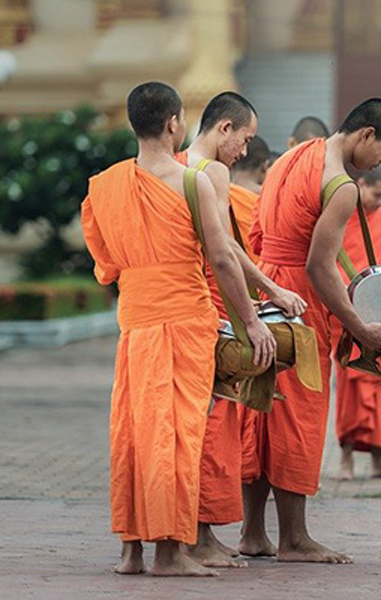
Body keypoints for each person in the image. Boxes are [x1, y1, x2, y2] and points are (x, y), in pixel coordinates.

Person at [81, 81, 275, 577]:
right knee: (176, 435)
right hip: (186, 320)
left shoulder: (103, 186)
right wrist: (251, 322)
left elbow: (105, 265)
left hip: (135, 323)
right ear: (174, 124)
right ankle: (169, 551)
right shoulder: (193, 182)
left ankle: (132, 550)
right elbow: (223, 258)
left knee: (132, 431)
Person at [241, 98, 381, 564]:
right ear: (366, 134)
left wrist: (263, 285)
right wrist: (361, 329)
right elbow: (318, 266)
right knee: (297, 415)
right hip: (297, 299)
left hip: (266, 287)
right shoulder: (341, 185)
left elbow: (255, 232)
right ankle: (294, 539)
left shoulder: (293, 156)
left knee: (262, 410)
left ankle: (253, 533)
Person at [176, 92, 306, 569]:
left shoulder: (173, 166)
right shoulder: (211, 172)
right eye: (245, 138)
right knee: (213, 425)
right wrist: (262, 305)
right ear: (224, 128)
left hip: (181, 306)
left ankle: (193, 532)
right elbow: (226, 252)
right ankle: (200, 536)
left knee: (195, 423)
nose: (246, 150)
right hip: (210, 306)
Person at [331, 163, 381, 481]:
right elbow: (328, 259)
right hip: (349, 311)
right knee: (350, 387)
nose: (379, 201)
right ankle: (346, 459)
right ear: (360, 183)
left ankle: (380, 459)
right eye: (376, 194)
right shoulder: (340, 213)